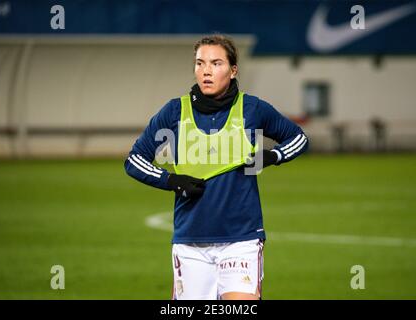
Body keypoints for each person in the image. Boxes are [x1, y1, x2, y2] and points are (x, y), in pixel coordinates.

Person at [124, 34, 308, 300]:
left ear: (233, 70)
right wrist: (171, 180)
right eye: (200, 63)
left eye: (216, 63)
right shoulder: (174, 112)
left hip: (241, 240)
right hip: (190, 243)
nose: (206, 71)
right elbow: (134, 160)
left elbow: (298, 138)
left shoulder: (252, 109)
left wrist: (271, 156)